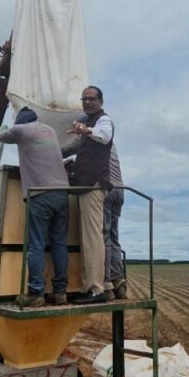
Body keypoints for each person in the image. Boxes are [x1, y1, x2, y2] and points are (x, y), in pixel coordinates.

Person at [0, 107, 70, 307]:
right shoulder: (50, 130)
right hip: (63, 193)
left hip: (40, 193)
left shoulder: (21, 130)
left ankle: (36, 293)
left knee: (36, 244)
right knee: (59, 243)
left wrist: (3, 126)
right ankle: (60, 292)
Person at [62, 85, 113, 304]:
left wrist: (86, 130)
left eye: (92, 99)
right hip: (85, 186)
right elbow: (82, 149)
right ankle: (89, 287)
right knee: (86, 239)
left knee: (92, 239)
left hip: (93, 186)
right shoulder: (89, 123)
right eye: (84, 99)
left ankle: (96, 290)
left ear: (101, 101)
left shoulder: (103, 121)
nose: (88, 102)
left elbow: (104, 136)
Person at [103, 146, 126, 301]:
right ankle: (118, 280)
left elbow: (66, 150)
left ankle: (106, 283)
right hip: (120, 189)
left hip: (108, 189)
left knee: (104, 236)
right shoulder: (111, 142)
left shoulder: (90, 136)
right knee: (113, 236)